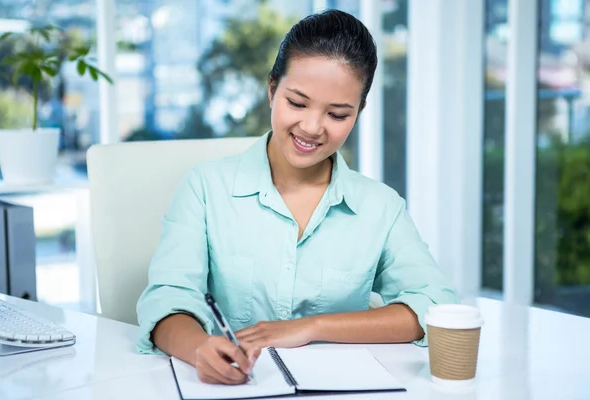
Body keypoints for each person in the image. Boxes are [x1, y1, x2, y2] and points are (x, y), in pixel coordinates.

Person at [136, 9, 458, 385]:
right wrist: (198, 349)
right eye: (298, 103)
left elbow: (435, 305)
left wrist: (311, 327)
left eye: (337, 114)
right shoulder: (205, 188)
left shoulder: (381, 207)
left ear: (359, 112)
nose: (311, 127)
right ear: (272, 89)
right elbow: (167, 299)